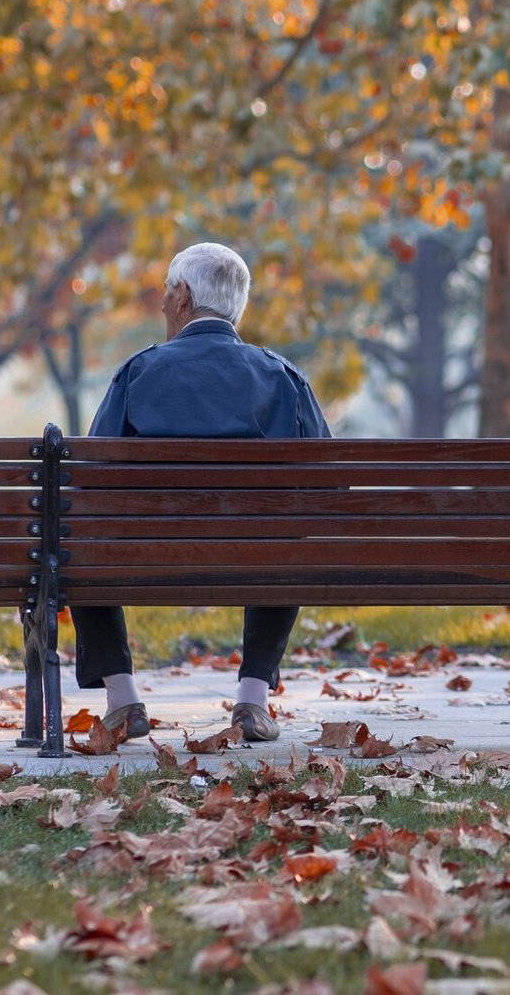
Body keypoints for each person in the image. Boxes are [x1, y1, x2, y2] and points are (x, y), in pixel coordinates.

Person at [68, 242, 330, 743]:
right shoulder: (282, 377)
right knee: (286, 539)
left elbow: (89, 480)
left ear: (183, 297)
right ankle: (252, 699)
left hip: (144, 558)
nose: (163, 303)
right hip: (260, 558)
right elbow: (329, 486)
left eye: (167, 292)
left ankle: (122, 699)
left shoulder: (138, 372)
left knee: (75, 540)